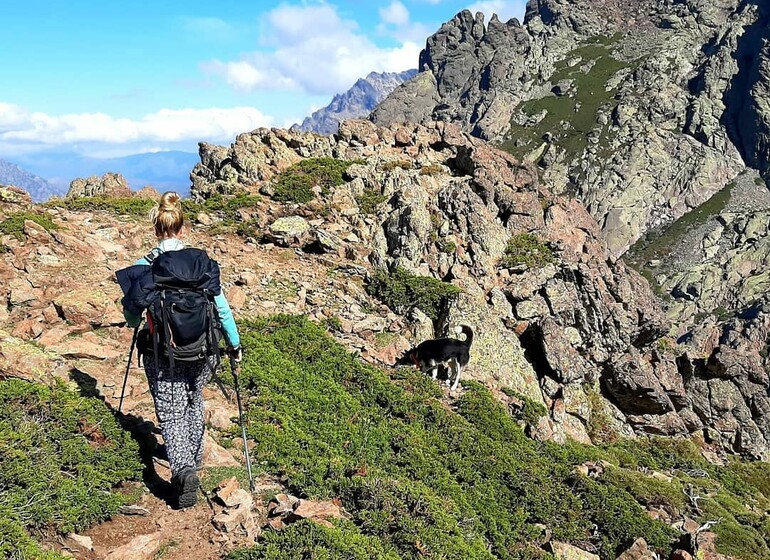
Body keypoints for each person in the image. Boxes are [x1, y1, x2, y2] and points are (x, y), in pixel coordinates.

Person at [121, 191, 241, 508]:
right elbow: (223, 309)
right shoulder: (202, 264)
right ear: (183, 229)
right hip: (204, 350)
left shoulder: (145, 267)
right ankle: (192, 456)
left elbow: (132, 314)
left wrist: (133, 317)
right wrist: (235, 344)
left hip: (163, 355)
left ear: (156, 229)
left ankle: (184, 470)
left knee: (171, 414)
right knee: (193, 399)